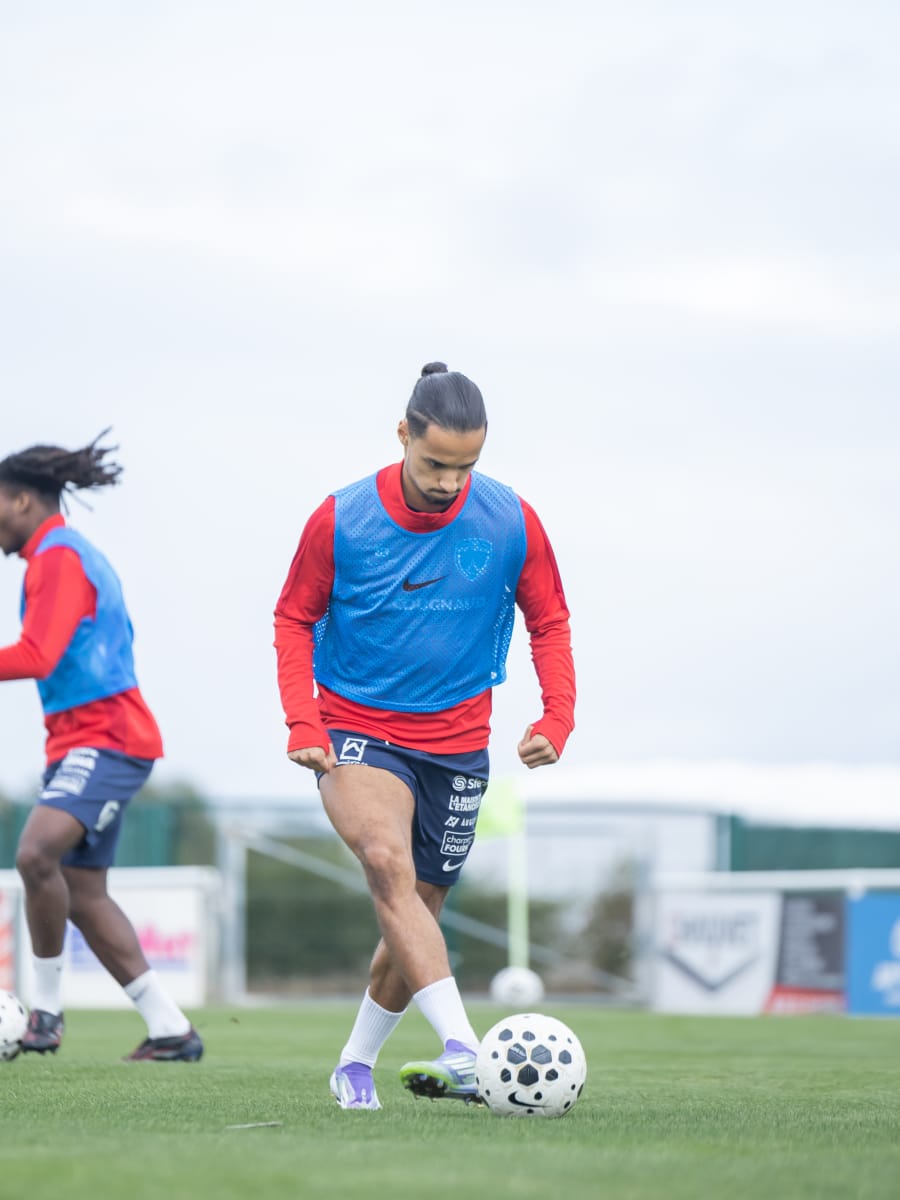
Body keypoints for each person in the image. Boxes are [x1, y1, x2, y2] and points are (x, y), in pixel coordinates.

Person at [274, 362, 575, 1109]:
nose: (449, 482)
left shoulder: (510, 520)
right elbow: (293, 618)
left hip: (459, 742)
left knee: (416, 914)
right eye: (435, 463)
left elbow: (550, 620)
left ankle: (354, 1063)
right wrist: (303, 719)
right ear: (403, 434)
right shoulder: (340, 519)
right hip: (356, 726)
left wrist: (557, 717)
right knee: (386, 864)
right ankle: (468, 1051)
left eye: (465, 467)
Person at [0, 432, 203, 1062]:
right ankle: (171, 1030)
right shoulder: (59, 556)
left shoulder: (58, 557)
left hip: (107, 739)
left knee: (35, 854)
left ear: (22, 500)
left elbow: (38, 655)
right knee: (82, 890)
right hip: (82, 742)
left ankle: (45, 1016)